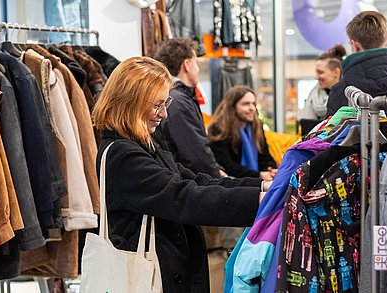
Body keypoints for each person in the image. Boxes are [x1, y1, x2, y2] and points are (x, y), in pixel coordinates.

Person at [92, 56, 270, 292]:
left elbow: (195, 180)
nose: (164, 114)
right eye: (157, 105)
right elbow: (182, 197)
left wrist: (262, 187)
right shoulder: (123, 156)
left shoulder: (143, 144)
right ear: (131, 102)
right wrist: (257, 200)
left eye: (165, 104)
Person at [152, 38, 225, 178]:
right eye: (196, 62)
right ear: (187, 65)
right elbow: (196, 154)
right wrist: (218, 177)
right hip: (188, 182)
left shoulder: (177, 97)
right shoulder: (178, 101)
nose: (197, 69)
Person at [208, 85, 277, 180]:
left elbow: (265, 156)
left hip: (257, 180)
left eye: (253, 103)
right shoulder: (218, 129)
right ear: (232, 107)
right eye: (246, 104)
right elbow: (227, 165)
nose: (252, 108)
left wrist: (270, 169)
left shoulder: (257, 127)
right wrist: (258, 175)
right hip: (233, 183)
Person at [299, 44, 346, 132]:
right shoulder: (313, 94)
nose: (316, 77)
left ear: (336, 72)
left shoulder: (347, 96)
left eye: (320, 72)